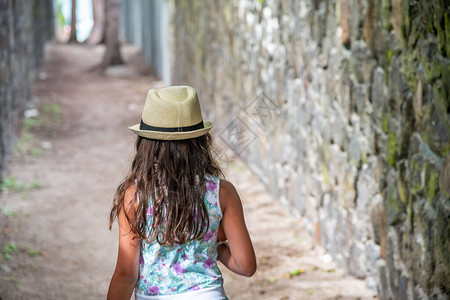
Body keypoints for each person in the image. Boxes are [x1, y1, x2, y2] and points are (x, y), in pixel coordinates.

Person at [107, 86, 257, 300]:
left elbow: (126, 275)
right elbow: (246, 266)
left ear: (146, 146)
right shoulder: (221, 192)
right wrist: (217, 246)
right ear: (201, 143)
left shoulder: (134, 196)